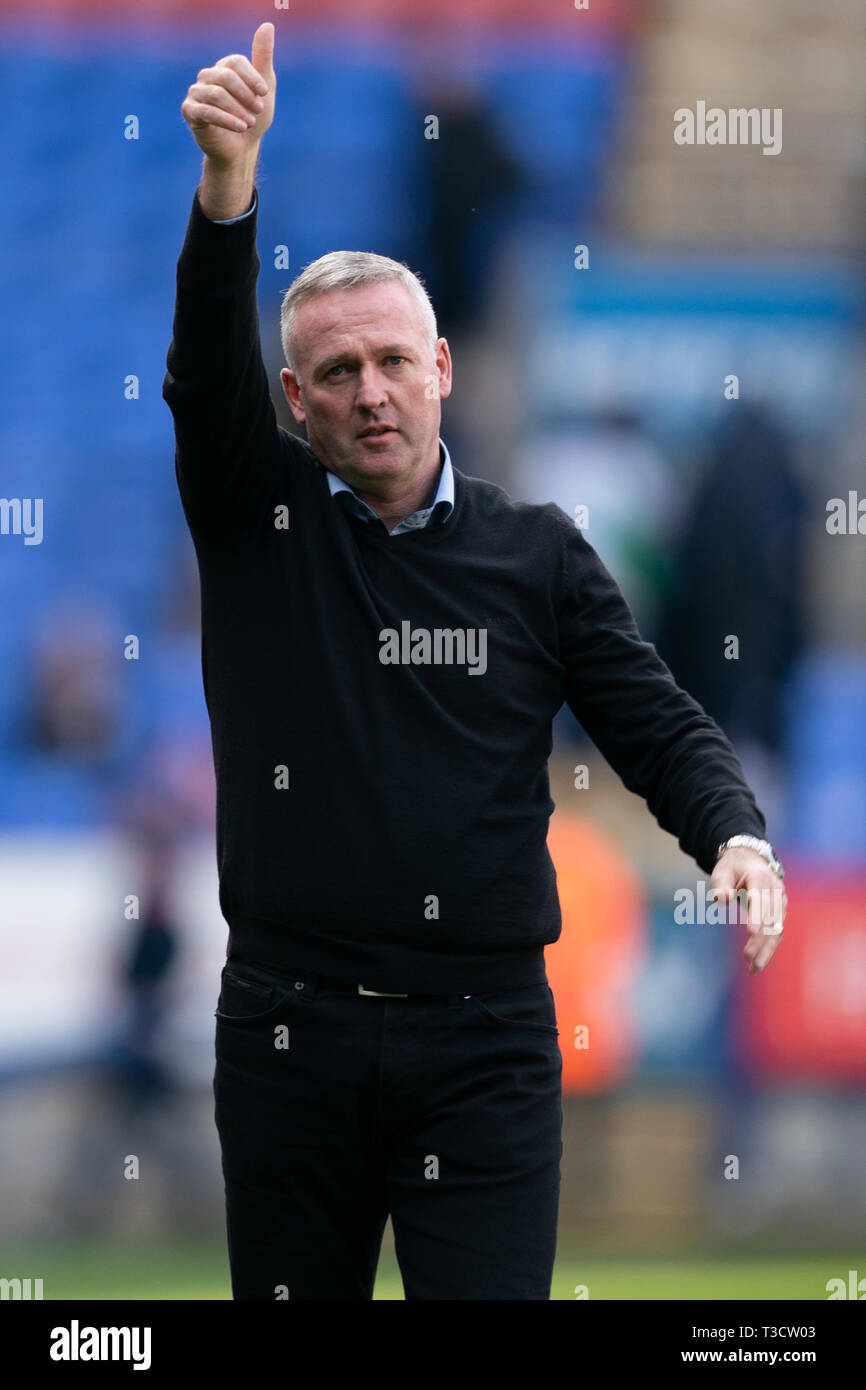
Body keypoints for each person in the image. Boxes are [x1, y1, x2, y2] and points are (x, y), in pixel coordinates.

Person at [163, 22, 786, 1301]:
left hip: (485, 1043)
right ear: (296, 400)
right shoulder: (256, 521)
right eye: (336, 372)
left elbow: (652, 720)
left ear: (443, 370)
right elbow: (198, 387)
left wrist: (732, 831)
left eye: (395, 360)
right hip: (289, 1030)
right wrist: (229, 189)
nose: (372, 390)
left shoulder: (537, 554)